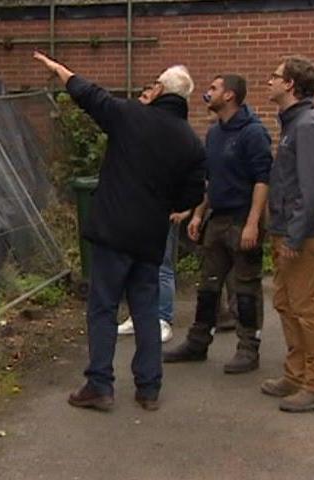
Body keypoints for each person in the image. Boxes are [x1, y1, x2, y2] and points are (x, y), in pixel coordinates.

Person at [32, 51, 204, 412]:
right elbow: (191, 195)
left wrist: (61, 70)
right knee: (145, 309)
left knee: (103, 307)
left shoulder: (130, 116)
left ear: (159, 89)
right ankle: (149, 387)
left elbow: (92, 96)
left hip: (113, 232)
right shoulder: (190, 141)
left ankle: (99, 385)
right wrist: (163, 203)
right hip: (150, 238)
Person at [163, 74, 272, 374]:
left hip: (242, 220)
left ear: (231, 96)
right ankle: (198, 342)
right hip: (217, 218)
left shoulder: (253, 133)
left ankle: (248, 348)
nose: (207, 93)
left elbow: (263, 180)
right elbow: (211, 180)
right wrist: (198, 213)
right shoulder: (215, 133)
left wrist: (253, 224)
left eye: (213, 88)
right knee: (208, 285)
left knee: (246, 287)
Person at [259, 56, 314, 413]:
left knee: (306, 309)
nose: (268, 81)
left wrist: (294, 235)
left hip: (299, 235)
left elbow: (311, 185)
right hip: (285, 229)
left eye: (275, 77)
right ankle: (295, 373)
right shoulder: (294, 123)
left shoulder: (306, 125)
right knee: (286, 304)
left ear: (290, 84)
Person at [115, 81, 191, 344]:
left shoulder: (170, 130)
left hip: (161, 210)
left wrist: (179, 206)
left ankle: (162, 317)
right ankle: (138, 316)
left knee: (162, 265)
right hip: (135, 211)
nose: (142, 99)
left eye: (147, 95)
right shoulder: (137, 128)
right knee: (133, 266)